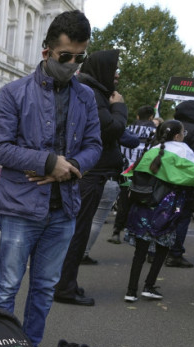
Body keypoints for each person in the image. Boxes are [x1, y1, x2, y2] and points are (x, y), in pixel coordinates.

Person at [0, 10, 101, 347]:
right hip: (21, 208)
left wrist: (72, 165)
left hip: (64, 210)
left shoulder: (85, 97)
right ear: (46, 51)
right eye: (66, 56)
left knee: (45, 288)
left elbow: (95, 145)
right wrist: (48, 161)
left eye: (80, 58)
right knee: (6, 287)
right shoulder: (14, 93)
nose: (73, 64)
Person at [53, 49, 126, 306]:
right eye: (114, 69)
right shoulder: (92, 94)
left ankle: (65, 283)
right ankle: (64, 287)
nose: (117, 75)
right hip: (90, 173)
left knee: (77, 231)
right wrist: (120, 108)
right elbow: (112, 129)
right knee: (77, 231)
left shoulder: (92, 91)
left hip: (92, 172)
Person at [123, 120, 194, 302]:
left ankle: (131, 291)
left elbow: (131, 172)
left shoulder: (152, 150)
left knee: (140, 251)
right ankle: (149, 286)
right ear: (178, 135)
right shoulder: (183, 150)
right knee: (163, 247)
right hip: (167, 206)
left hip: (143, 205)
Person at [165, 97, 194, 268]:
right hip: (186, 184)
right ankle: (175, 254)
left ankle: (153, 252)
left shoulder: (170, 125)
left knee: (162, 215)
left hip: (164, 181)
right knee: (182, 217)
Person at [109, 105, 157, 244]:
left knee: (124, 201)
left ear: (137, 116)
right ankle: (136, 233)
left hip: (127, 171)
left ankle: (116, 232)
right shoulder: (156, 131)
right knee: (142, 203)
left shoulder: (127, 129)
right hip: (145, 173)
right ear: (151, 117)